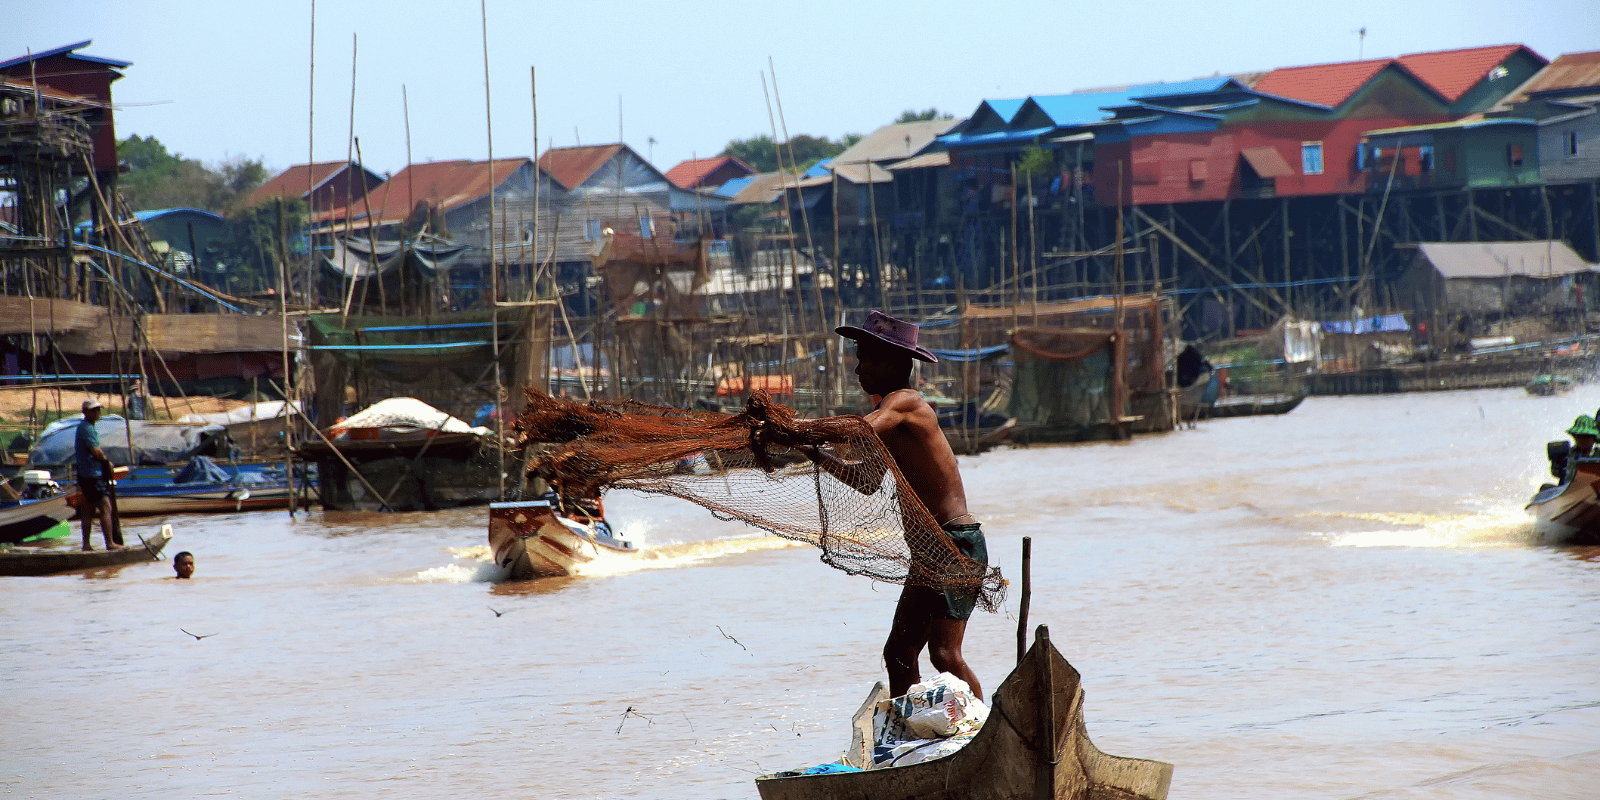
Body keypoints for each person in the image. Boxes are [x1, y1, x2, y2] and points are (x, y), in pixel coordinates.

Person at [804, 311, 988, 700]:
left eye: (865, 360)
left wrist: (795, 429)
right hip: (927, 553)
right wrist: (813, 453)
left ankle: (981, 725)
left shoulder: (906, 402)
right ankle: (910, 725)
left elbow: (859, 430)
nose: (858, 370)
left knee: (944, 655)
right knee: (899, 653)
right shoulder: (889, 423)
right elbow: (866, 482)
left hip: (954, 545)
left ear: (891, 362)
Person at [75, 398, 126, 551]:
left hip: (86, 474)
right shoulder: (87, 428)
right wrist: (107, 462)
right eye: (93, 410)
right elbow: (96, 451)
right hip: (92, 475)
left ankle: (86, 545)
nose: (97, 413)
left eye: (98, 410)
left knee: (88, 509)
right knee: (105, 507)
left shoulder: (86, 427)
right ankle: (110, 543)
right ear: (85, 412)